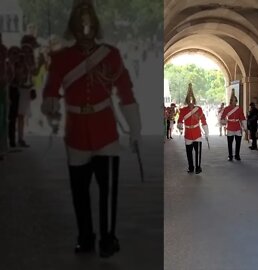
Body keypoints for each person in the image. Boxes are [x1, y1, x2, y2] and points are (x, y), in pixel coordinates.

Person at [41, 0, 141, 258]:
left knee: (107, 192)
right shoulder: (61, 58)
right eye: (80, 25)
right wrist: (50, 102)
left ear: (95, 27)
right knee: (80, 193)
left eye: (88, 25)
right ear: (73, 29)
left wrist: (135, 129)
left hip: (106, 131)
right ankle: (85, 237)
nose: (85, 30)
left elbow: (126, 92)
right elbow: (51, 89)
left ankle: (108, 238)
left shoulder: (110, 55)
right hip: (76, 134)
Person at [177, 83, 208, 174]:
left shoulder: (199, 109)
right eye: (189, 101)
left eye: (192, 101)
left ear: (194, 101)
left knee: (197, 152)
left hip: (197, 132)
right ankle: (191, 167)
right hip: (188, 134)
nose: (191, 103)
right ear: (187, 101)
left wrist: (206, 131)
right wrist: (180, 125)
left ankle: (198, 167)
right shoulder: (183, 110)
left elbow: (203, 120)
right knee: (189, 153)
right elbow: (180, 120)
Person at [220, 92, 247, 161]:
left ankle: (237, 155)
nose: (234, 102)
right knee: (230, 143)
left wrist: (245, 127)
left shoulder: (239, 109)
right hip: (230, 126)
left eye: (235, 100)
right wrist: (225, 121)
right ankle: (230, 155)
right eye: (232, 100)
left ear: (236, 101)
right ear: (230, 101)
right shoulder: (227, 109)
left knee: (238, 142)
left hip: (237, 126)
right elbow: (223, 117)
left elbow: (242, 118)